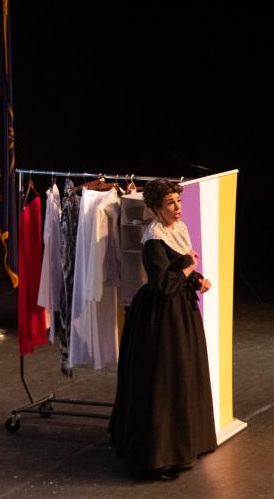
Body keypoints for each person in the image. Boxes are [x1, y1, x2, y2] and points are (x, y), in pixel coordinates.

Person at [109, 179, 216, 479]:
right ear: (156, 208)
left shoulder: (177, 230)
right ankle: (161, 455)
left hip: (182, 312)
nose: (178, 207)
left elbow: (180, 270)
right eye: (170, 203)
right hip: (160, 318)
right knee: (165, 380)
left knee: (185, 374)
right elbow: (163, 284)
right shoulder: (153, 238)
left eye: (178, 201)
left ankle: (186, 445)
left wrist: (197, 281)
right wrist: (187, 269)